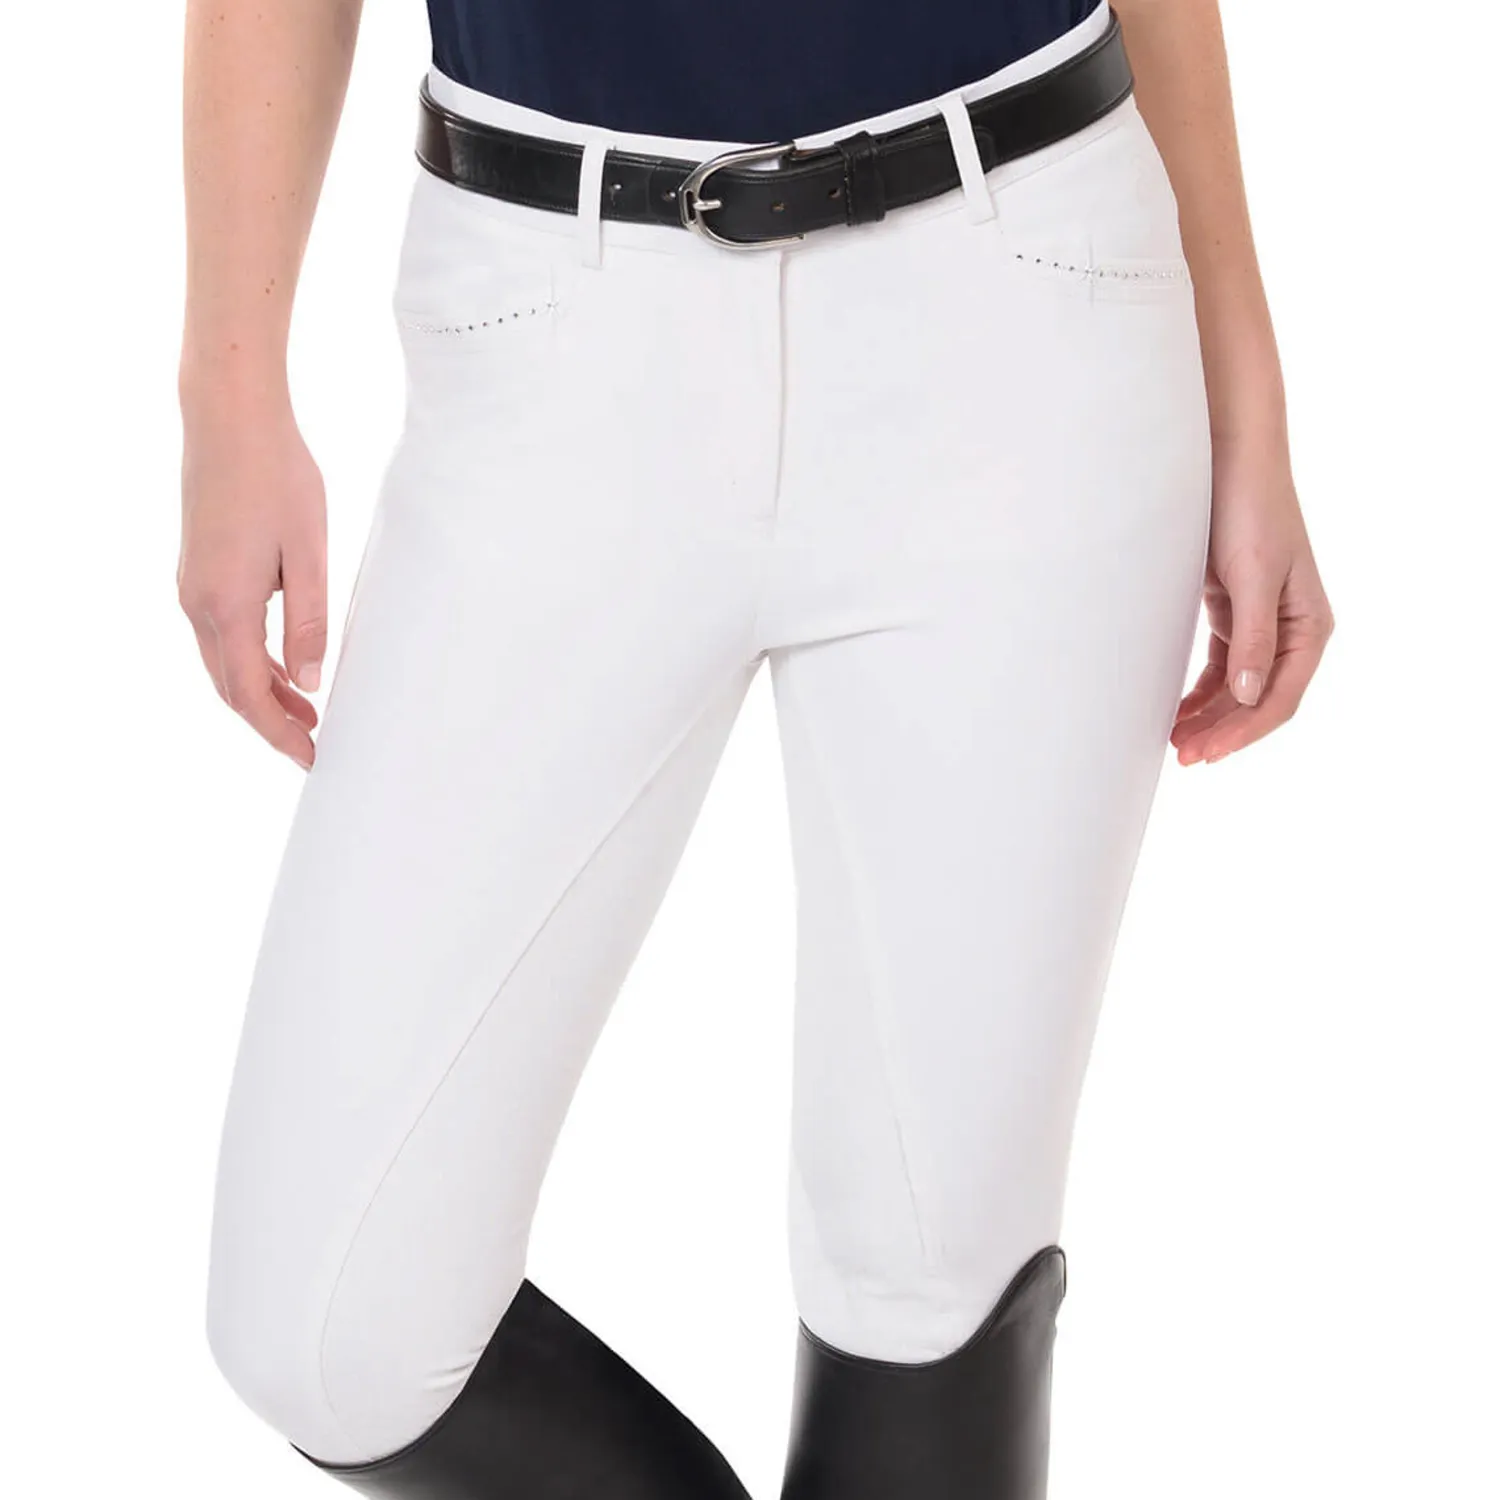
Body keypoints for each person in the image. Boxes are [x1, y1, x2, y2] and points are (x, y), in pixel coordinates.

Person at [177, 1, 1334, 1495]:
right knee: (326, 1332)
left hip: (1020, 306)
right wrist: (229, 392)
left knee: (930, 1274)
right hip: (548, 324)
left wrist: (1250, 400)